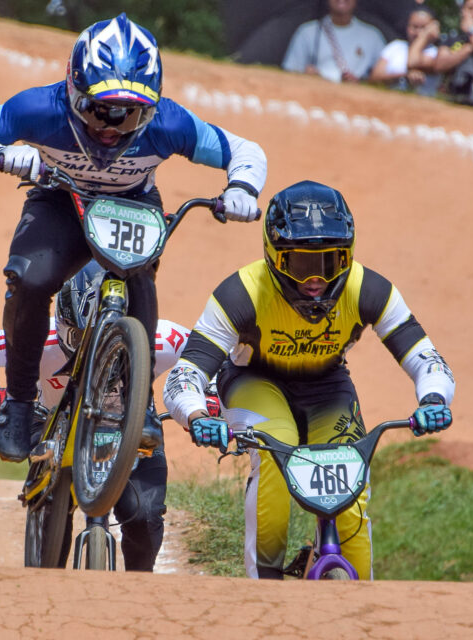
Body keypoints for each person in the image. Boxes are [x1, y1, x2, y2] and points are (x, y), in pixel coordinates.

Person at [0, 13, 267, 463]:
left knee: (139, 277)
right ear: (71, 90)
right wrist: (0, 155)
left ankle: (140, 403)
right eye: (98, 109)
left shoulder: (171, 123)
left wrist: (242, 188)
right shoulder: (38, 109)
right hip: (60, 200)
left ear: (153, 106)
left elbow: (245, 150)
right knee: (29, 280)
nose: (112, 126)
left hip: (132, 203)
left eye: (131, 114)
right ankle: (21, 402)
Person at [162, 181, 455, 580]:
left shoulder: (369, 288)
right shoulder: (241, 293)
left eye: (330, 263)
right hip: (254, 380)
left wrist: (433, 399)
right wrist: (197, 415)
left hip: (326, 388)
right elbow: (186, 373)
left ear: (348, 256)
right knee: (274, 456)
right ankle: (263, 588)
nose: (316, 279)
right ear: (274, 257)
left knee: (350, 485)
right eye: (301, 265)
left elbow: (427, 358)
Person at [0, 261, 196, 570]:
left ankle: (139, 586)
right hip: (53, 422)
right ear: (62, 323)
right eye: (79, 337)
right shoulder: (42, 338)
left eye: (104, 336)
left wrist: (201, 404)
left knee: (144, 517)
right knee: (52, 506)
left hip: (128, 428)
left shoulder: (160, 337)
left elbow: (206, 358)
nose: (90, 350)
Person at [281, 0, 386, 84]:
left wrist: (361, 83)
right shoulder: (307, 31)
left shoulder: (373, 36)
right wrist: (306, 75)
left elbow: (384, 80)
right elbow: (290, 72)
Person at [369, 4, 442, 96]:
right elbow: (374, 78)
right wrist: (402, 77)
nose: (418, 32)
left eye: (423, 28)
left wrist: (423, 39)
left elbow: (412, 62)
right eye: (414, 27)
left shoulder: (436, 54)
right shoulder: (395, 46)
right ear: (407, 27)